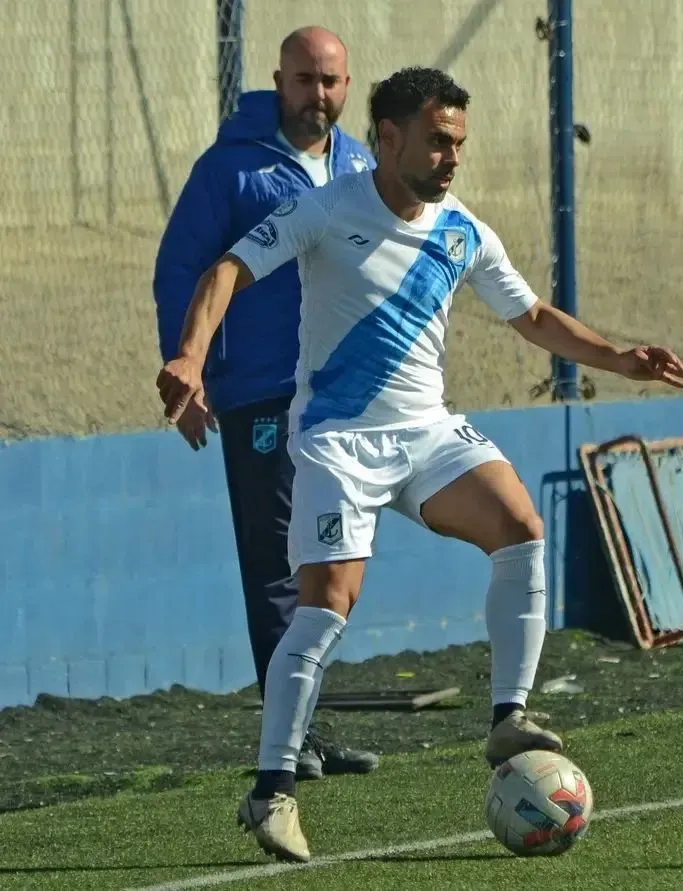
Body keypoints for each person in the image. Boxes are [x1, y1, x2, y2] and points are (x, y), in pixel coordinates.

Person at [156, 66, 683, 862]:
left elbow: (533, 315)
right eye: (438, 140)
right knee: (327, 607)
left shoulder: (462, 230)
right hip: (338, 441)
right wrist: (191, 357)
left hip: (426, 433)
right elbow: (225, 269)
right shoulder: (326, 210)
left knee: (519, 525)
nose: (451, 157)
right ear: (388, 137)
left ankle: (507, 715)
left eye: (459, 144)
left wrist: (620, 358)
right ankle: (271, 791)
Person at [151, 26, 379, 782]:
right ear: (278, 82)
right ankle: (292, 740)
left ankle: (308, 723)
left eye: (332, 82)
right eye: (306, 81)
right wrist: (189, 374)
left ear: (349, 87)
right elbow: (182, 268)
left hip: (342, 398)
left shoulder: (359, 164)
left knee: (330, 561)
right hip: (259, 391)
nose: (320, 96)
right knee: (276, 565)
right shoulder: (229, 169)